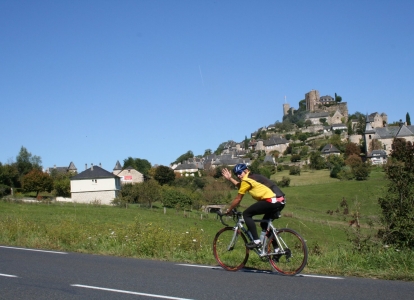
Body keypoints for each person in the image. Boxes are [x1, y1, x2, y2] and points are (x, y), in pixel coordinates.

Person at [222, 163, 285, 249]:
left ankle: (256, 241)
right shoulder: (252, 177)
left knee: (246, 214)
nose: (239, 176)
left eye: (240, 173)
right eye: (236, 174)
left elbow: (238, 199)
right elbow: (241, 186)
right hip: (280, 201)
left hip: (271, 201)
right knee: (264, 224)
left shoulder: (246, 180)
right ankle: (277, 250)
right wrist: (230, 178)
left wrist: (229, 209)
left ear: (246, 170)